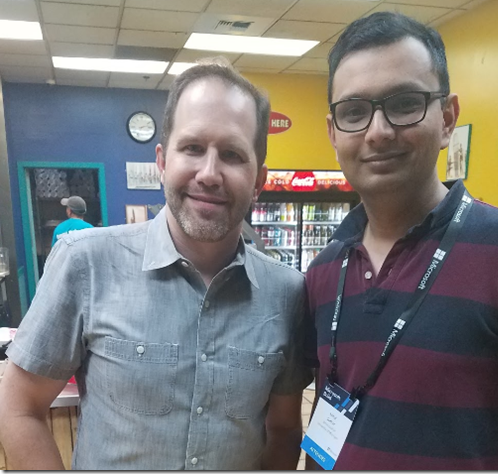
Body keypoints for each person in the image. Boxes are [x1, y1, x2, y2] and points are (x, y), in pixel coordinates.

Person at [0, 58, 313, 470]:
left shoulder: (287, 293)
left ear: (258, 181)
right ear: (162, 162)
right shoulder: (86, 263)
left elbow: (284, 430)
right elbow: (18, 406)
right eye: (193, 148)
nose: (209, 173)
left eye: (233, 154)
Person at [304, 12, 498, 470]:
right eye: (354, 112)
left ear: (448, 118)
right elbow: (326, 417)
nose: (378, 131)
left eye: (404, 104)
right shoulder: (323, 270)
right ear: (333, 132)